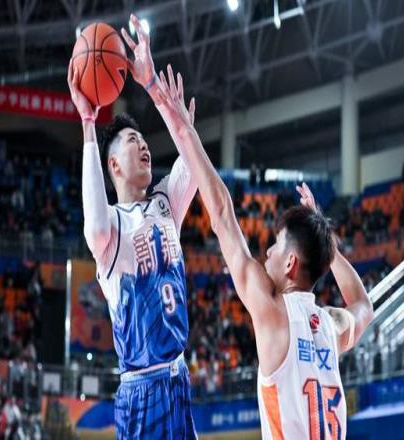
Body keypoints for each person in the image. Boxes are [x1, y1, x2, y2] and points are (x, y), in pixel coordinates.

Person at [156, 67, 373, 439]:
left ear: (290, 263)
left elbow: (222, 215)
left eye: (275, 246)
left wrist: (186, 131)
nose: (267, 252)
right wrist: (328, 247)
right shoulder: (332, 325)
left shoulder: (273, 313)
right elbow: (363, 306)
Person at [68, 15, 197, 439]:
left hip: (179, 378)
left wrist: (154, 88)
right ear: (113, 165)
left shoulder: (165, 202)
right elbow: (93, 222)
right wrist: (89, 125)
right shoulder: (110, 229)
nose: (143, 144)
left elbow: (194, 163)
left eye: (143, 140)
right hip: (142, 392)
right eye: (131, 141)